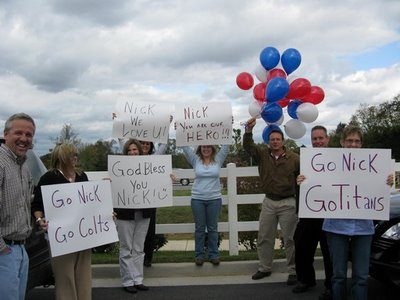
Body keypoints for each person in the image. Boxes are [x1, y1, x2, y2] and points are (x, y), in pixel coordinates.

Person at [298, 125, 394, 300]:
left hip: (363, 227)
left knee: (361, 277)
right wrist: (305, 180)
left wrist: (387, 181)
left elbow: (380, 189)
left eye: (357, 141)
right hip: (336, 226)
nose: (353, 144)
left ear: (362, 144)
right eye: (349, 140)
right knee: (338, 276)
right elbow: (318, 184)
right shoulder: (329, 163)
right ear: (342, 142)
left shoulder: (373, 164)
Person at [243, 117, 299, 285]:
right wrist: (248, 131)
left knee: (291, 239)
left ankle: (293, 270)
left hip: (288, 202)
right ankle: (264, 268)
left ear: (283, 141)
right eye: (272, 139)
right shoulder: (262, 155)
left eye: (278, 139)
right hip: (269, 202)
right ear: (268, 141)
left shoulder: (294, 158)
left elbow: (304, 177)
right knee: (265, 236)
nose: (275, 142)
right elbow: (248, 147)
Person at [32, 143, 92, 300]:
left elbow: (91, 204)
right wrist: (40, 219)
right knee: (65, 277)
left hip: (83, 235)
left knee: (84, 276)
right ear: (62, 157)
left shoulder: (81, 176)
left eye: (76, 154)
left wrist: (105, 214)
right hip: (61, 237)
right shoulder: (49, 178)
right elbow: (37, 205)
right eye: (72, 155)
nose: (75, 157)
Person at [292, 126, 333, 298]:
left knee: (329, 251)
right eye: (314, 139)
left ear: (327, 139)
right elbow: (299, 185)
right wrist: (298, 180)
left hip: (330, 213)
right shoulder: (305, 160)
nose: (318, 142)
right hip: (309, 213)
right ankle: (306, 280)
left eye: (320, 138)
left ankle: (331, 285)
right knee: (301, 244)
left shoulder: (338, 159)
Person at [0, 113, 36, 300]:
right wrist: (3, 249)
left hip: (21, 250)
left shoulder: (24, 167)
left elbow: (23, 203)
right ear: (6, 134)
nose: (24, 139)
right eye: (18, 133)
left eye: (29, 135)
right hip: (4, 251)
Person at [182, 143, 229, 266]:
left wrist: (227, 126)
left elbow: (225, 146)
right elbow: (185, 147)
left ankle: (214, 255)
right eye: (203, 147)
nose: (206, 149)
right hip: (197, 199)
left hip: (214, 199)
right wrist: (180, 130)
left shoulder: (218, 159)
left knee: (213, 228)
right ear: (200, 148)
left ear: (212, 148)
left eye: (208, 147)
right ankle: (199, 255)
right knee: (200, 229)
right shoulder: (195, 160)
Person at [114, 139, 151, 294]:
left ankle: (138, 279)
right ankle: (128, 280)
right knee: (126, 247)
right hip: (124, 213)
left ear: (140, 151)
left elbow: (157, 182)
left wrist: (168, 179)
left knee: (138, 248)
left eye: (135, 150)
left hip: (144, 212)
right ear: (125, 153)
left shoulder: (149, 166)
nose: (132, 153)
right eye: (129, 150)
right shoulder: (118, 168)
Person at [140, 140, 168, 267]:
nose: (145, 146)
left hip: (150, 200)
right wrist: (118, 122)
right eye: (142, 143)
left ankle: (147, 257)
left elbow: (164, 145)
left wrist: (166, 124)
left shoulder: (154, 158)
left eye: (147, 144)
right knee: (135, 232)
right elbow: (123, 142)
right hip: (133, 200)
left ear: (151, 146)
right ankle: (136, 258)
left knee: (149, 231)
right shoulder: (130, 158)